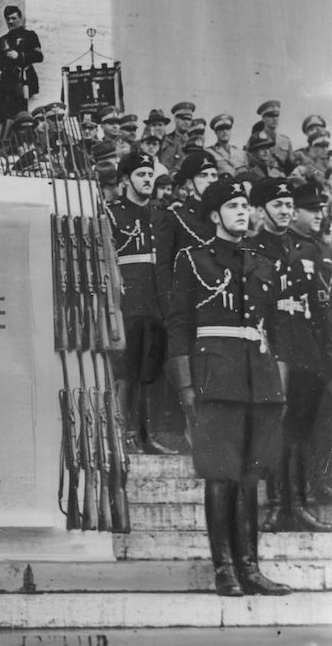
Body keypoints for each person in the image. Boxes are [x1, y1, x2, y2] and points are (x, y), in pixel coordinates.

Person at [165, 179, 291, 597]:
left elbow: (274, 329)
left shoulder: (262, 262)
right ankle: (225, 569)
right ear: (215, 215)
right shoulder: (193, 259)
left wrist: (279, 386)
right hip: (215, 379)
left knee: (251, 477)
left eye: (245, 205)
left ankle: (251, 568)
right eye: (233, 205)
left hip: (260, 381)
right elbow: (179, 326)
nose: (242, 211)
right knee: (221, 476)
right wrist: (186, 388)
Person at [244, 179, 332, 533]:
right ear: (261, 210)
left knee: (299, 427)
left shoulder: (308, 249)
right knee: (275, 424)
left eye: (287, 205)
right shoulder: (250, 249)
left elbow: (321, 306)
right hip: (270, 343)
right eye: (276, 205)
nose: (283, 211)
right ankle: (278, 504)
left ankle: (297, 506)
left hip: (304, 346)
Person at [106, 151, 175, 454]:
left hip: (156, 304)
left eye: (150, 174)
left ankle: (146, 436)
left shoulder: (162, 215)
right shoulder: (111, 213)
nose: (147, 179)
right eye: (140, 174)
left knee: (150, 372)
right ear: (124, 180)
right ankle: (124, 435)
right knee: (126, 372)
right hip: (128, 303)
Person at [154, 150, 219, 302]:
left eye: (214, 175)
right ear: (190, 183)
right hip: (188, 300)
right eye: (203, 175)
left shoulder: (224, 218)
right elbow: (163, 268)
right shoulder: (175, 218)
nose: (210, 180)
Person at [0, 6, 41, 126]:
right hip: (10, 80)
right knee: (10, 113)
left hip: (27, 78)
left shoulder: (30, 36)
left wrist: (18, 56)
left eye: (13, 18)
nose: (10, 21)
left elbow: (38, 56)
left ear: (20, 18)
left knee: (28, 111)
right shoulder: (3, 40)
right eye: (8, 19)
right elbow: (1, 61)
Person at [256, 100, 295, 175]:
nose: (274, 119)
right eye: (271, 116)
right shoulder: (256, 139)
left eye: (277, 115)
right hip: (263, 177)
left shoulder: (285, 140)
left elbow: (291, 164)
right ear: (263, 119)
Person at [158, 101, 196, 173]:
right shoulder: (166, 140)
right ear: (175, 119)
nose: (186, 122)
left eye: (189, 119)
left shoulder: (193, 141)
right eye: (183, 119)